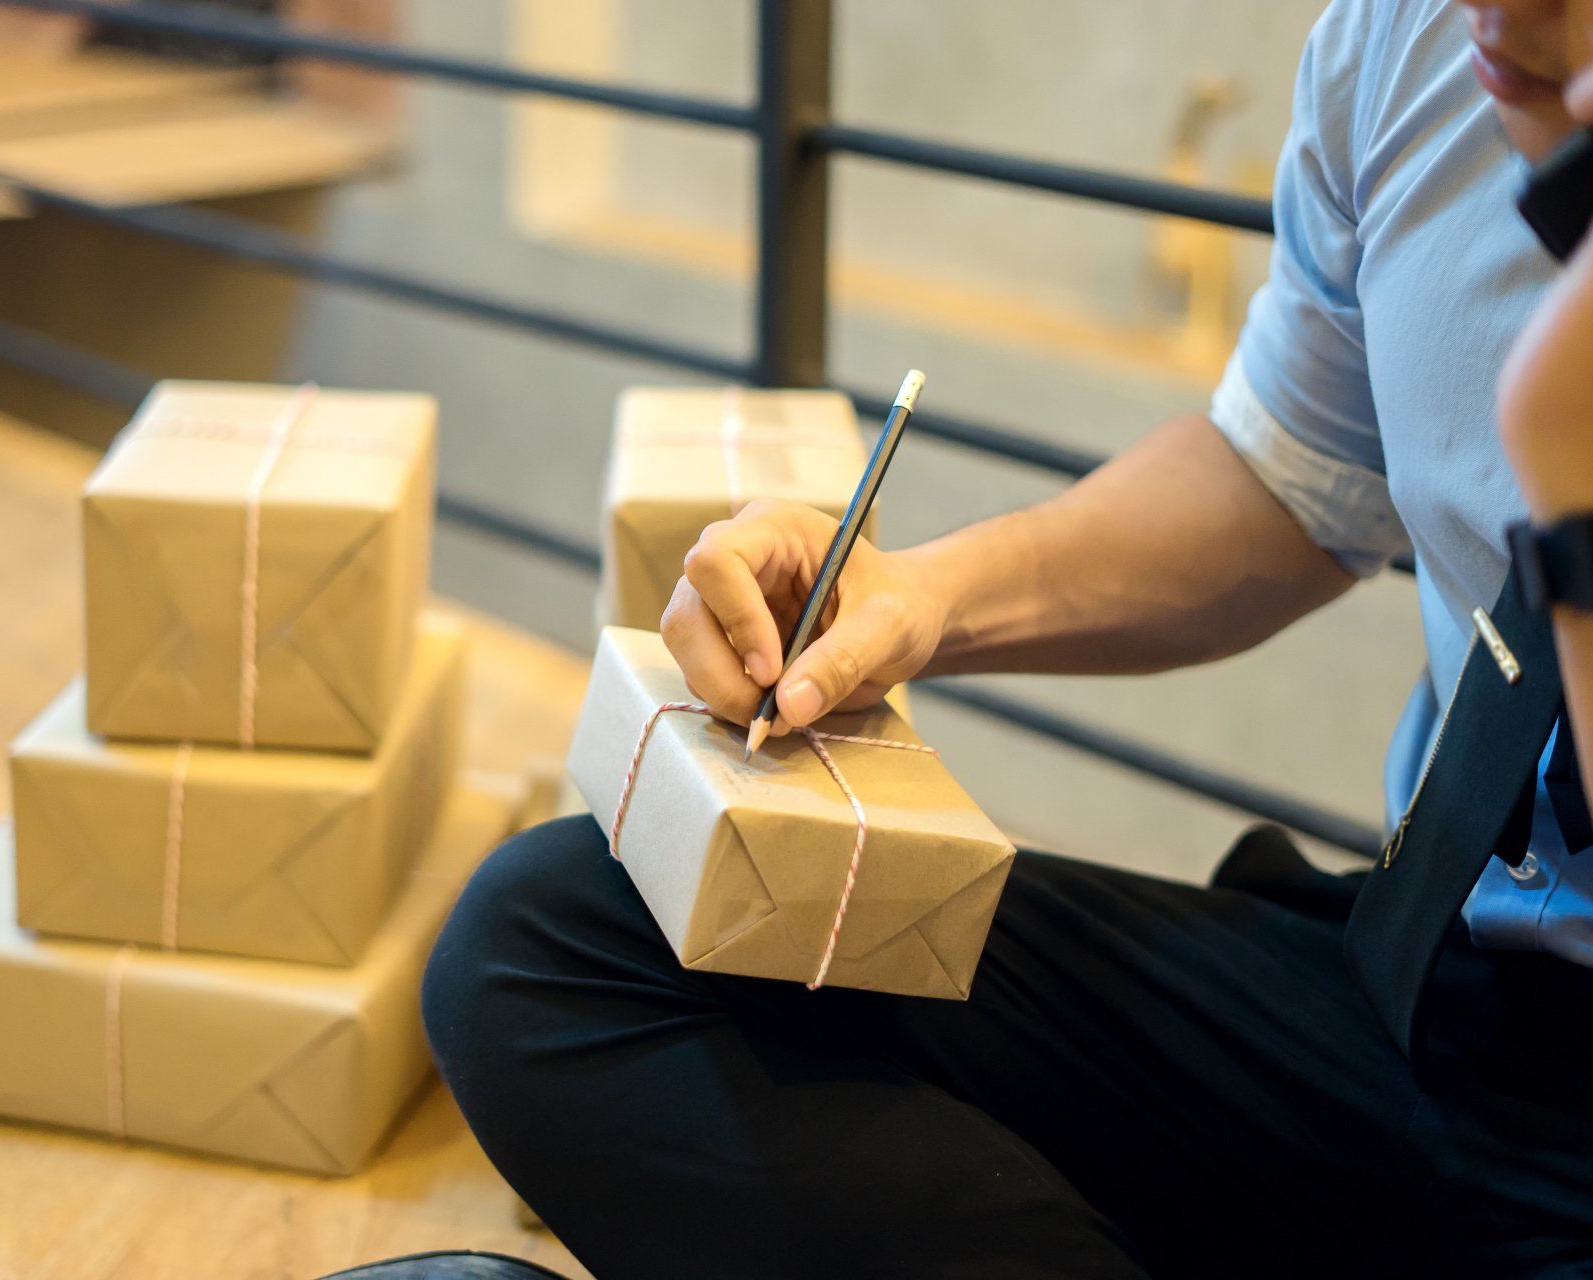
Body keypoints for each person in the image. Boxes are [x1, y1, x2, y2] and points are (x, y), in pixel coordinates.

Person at [410, 2, 1593, 1277]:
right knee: (545, 943)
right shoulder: (1412, 38)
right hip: (1427, 980)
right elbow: (1294, 477)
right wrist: (916, 598)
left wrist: (1570, 465)